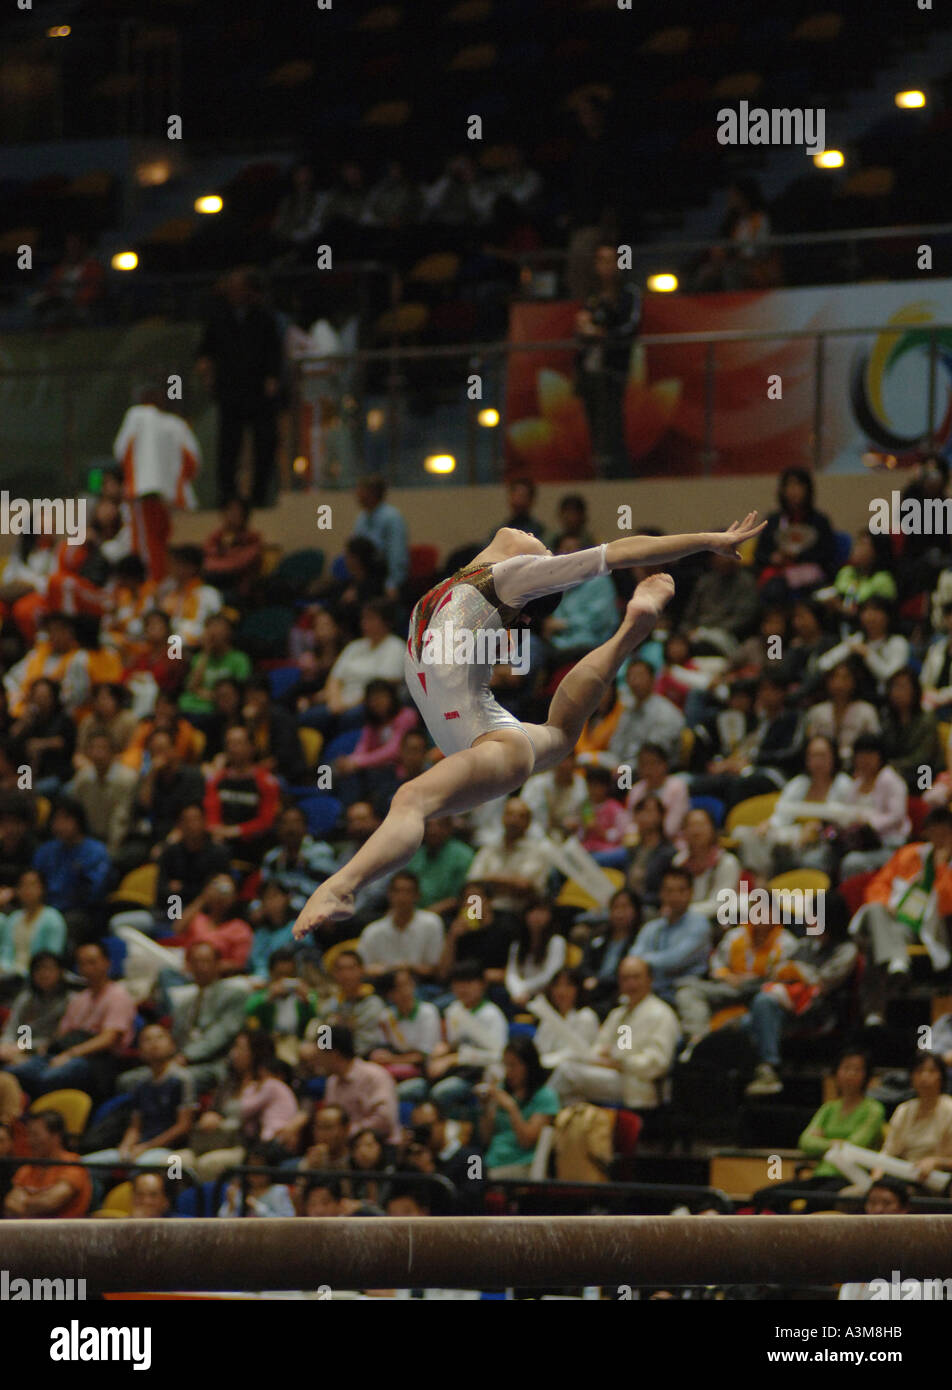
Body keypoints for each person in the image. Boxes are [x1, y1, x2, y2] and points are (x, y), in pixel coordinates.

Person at [293, 516, 765, 939]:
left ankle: (342, 885)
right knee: (560, 736)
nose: (537, 538)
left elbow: (623, 551)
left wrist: (711, 540)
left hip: (491, 740)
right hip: (479, 735)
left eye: (543, 545)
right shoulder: (460, 579)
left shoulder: (511, 580)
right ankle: (630, 633)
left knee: (410, 799)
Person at [848, 808, 952, 1026]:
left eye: (946, 834)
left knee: (876, 943)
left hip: (927, 928)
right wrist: (887, 903)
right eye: (935, 834)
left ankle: (874, 1010)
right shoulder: (909, 854)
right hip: (894, 921)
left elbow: (946, 906)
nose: (940, 839)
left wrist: (941, 867)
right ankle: (898, 961)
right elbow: (878, 884)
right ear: (926, 834)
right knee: (876, 909)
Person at [195, 267, 284, 507]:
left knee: (264, 444)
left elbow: (275, 351)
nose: (234, 292)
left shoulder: (264, 317)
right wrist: (206, 371)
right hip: (230, 390)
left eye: (239, 288)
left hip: (257, 390)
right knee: (228, 446)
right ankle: (227, 495)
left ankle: (259, 495)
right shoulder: (219, 316)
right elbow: (205, 350)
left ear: (249, 291)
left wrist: (273, 377)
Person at [7, 940, 135, 1100]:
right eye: (82, 964)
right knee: (13, 1072)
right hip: (66, 1052)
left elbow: (108, 1038)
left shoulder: (118, 995)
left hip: (98, 1061)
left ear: (107, 963)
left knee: (50, 1077)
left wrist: (71, 1054)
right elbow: (62, 1035)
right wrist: (35, 1052)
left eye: (92, 962)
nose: (87, 968)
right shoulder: (79, 999)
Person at [549, 956, 680, 1110]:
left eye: (636, 977)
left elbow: (658, 1063)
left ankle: (533, 1122)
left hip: (638, 1083)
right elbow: (598, 1046)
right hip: (611, 1075)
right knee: (571, 1092)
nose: (631, 983)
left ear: (649, 979)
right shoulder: (618, 1014)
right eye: (625, 978)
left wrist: (621, 1062)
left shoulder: (661, 1014)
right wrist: (602, 1057)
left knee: (567, 1072)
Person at [675, 907, 798, 1052]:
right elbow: (717, 963)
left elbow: (784, 978)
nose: (760, 916)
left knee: (764, 1000)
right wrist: (728, 976)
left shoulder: (788, 942)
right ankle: (699, 1041)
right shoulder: (735, 935)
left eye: (766, 911)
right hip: (730, 988)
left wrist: (758, 979)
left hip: (760, 990)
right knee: (687, 990)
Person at [82, 1023, 196, 1172]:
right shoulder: (141, 1084)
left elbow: (183, 1127)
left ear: (172, 1045)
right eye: (147, 1040)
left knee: (141, 1168)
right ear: (140, 1051)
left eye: (160, 1037)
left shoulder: (182, 1079)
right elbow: (135, 1126)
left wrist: (146, 1147)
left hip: (170, 1151)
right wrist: (125, 1146)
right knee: (82, 1166)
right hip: (141, 1147)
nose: (154, 1043)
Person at [575, 242, 641, 477]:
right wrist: (584, 328)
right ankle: (599, 469)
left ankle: (617, 473)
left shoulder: (628, 294)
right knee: (594, 424)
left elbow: (630, 327)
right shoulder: (593, 297)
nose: (606, 266)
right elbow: (582, 328)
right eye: (601, 260)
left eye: (611, 260)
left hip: (613, 368)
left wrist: (603, 334)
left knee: (612, 422)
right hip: (589, 367)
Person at [795, 1051, 885, 1190]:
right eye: (846, 1068)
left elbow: (854, 1146)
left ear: (866, 1076)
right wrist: (833, 1143)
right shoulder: (828, 1108)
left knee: (814, 1201)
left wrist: (821, 1143)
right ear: (836, 1072)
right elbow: (805, 1142)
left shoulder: (874, 1109)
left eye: (857, 1070)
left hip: (850, 1177)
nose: (850, 1074)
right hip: (820, 1173)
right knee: (766, 1196)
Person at [479, 1036, 560, 1178]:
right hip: (491, 1161)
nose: (508, 1071)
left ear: (529, 1065)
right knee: (465, 1168)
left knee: (476, 1181)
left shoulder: (545, 1096)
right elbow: (485, 1138)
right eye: (506, 1065)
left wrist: (512, 1108)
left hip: (521, 1165)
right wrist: (486, 1107)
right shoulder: (502, 1090)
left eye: (513, 1065)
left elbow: (527, 1141)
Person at [627, 866, 711, 1003]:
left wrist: (644, 960)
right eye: (669, 891)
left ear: (691, 893)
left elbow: (674, 960)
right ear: (661, 894)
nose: (675, 896)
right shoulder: (651, 927)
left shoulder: (700, 924)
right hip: (653, 989)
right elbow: (633, 958)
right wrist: (640, 961)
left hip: (685, 988)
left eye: (681, 890)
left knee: (686, 997)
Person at [319, 1024, 401, 1145]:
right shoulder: (332, 1082)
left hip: (380, 1147)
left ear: (333, 1054)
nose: (318, 1061)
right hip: (345, 1148)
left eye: (321, 1055)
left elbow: (384, 1121)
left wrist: (347, 1133)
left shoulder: (375, 1076)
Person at [357, 871, 445, 983]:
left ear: (417, 895)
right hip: (382, 986)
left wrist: (408, 968)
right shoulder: (373, 931)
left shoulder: (431, 923)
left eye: (408, 892)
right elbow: (362, 969)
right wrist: (389, 969)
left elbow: (435, 969)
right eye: (397, 891)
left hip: (422, 985)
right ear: (389, 895)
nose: (402, 897)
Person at [2, 1109, 92, 1218]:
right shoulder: (28, 1168)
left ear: (56, 1136)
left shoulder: (72, 1165)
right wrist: (38, 1199)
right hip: (28, 1231)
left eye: (35, 1135)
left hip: (64, 1232)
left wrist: (26, 1199)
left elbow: (49, 1202)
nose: (30, 1141)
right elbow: (10, 1204)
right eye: (29, 1135)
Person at [609, 658, 685, 767]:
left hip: (653, 771)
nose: (635, 681)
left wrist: (623, 767)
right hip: (624, 765)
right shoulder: (628, 709)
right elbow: (616, 743)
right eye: (630, 676)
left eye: (640, 676)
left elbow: (653, 756)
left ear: (653, 679)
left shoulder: (665, 712)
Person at [0, 869, 67, 990]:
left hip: (37, 975)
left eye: (32, 885)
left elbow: (52, 955)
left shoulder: (53, 918)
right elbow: (6, 950)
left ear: (42, 889)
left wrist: (30, 972)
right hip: (10, 974)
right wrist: (4, 967)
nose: (27, 890)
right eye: (22, 885)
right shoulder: (13, 919)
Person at [350, 476, 409, 600]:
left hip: (383, 577)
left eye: (361, 490)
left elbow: (396, 553)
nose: (357, 494)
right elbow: (355, 553)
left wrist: (392, 584)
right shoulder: (362, 518)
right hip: (366, 578)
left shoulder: (392, 517)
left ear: (372, 493)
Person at [404, 816, 475, 917]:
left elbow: (463, 896)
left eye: (439, 825)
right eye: (429, 826)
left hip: (450, 914)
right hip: (414, 911)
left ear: (449, 828)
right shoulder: (415, 855)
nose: (433, 831)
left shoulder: (463, 855)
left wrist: (427, 914)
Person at [530, 967, 600, 1068]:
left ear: (578, 989)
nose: (561, 991)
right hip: (546, 1069)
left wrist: (545, 1061)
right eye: (557, 985)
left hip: (576, 1071)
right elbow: (539, 1047)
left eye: (568, 985)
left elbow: (579, 1053)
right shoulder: (549, 1016)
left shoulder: (586, 1017)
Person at [505, 900, 567, 1009]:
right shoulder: (517, 944)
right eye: (533, 912)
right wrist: (517, 992)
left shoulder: (557, 942)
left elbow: (551, 974)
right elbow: (511, 973)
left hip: (543, 993)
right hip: (519, 994)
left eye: (542, 912)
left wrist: (524, 989)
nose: (537, 917)